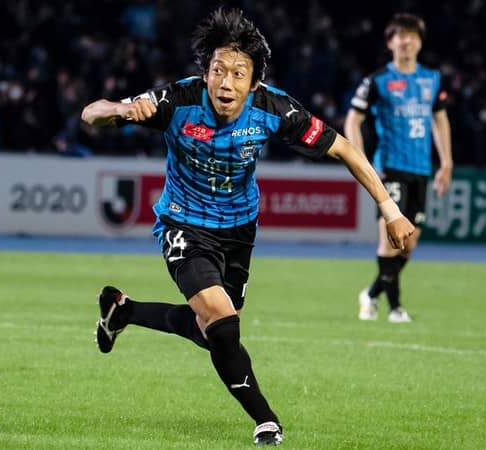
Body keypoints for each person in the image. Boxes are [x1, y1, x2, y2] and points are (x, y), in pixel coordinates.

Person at [82, 7, 414, 446]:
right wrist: (121, 109)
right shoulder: (176, 100)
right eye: (218, 70)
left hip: (239, 231)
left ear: (254, 82)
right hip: (184, 223)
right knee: (222, 323)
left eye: (239, 73)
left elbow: (345, 149)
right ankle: (266, 420)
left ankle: (124, 310)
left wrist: (390, 210)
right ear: (205, 73)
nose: (226, 82)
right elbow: (91, 114)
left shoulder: (273, 108)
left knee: (214, 332)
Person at [344, 13, 453, 323]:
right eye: (400, 36)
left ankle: (371, 294)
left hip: (421, 170)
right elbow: (353, 120)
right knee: (392, 239)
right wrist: (361, 159)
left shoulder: (432, 79)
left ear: (420, 42)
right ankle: (395, 308)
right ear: (390, 42)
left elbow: (440, 119)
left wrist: (446, 162)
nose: (406, 41)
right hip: (389, 169)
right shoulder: (377, 80)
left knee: (410, 243)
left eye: (412, 36)